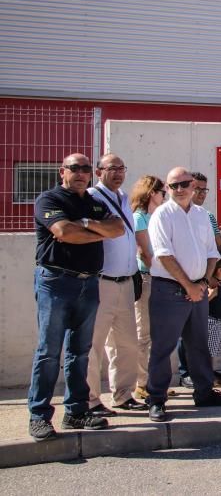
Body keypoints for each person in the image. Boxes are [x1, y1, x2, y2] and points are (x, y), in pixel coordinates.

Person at [27, 153, 124, 441]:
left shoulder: (93, 203)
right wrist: (96, 229)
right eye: (75, 168)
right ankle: (39, 415)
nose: (81, 173)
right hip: (56, 283)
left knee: (80, 352)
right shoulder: (49, 200)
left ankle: (76, 411)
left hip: (88, 284)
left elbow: (118, 229)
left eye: (85, 168)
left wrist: (85, 224)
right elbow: (64, 232)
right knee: (49, 352)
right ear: (62, 172)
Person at [146, 167, 221, 422]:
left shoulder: (202, 216)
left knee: (198, 346)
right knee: (162, 348)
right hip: (169, 290)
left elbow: (211, 253)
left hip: (199, 288)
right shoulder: (162, 215)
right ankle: (157, 399)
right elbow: (163, 254)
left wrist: (205, 282)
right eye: (173, 186)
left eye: (184, 184)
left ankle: (204, 392)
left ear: (193, 184)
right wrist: (188, 285)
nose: (180, 189)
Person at [85, 153, 145, 416]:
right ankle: (90, 399)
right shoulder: (91, 198)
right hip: (102, 282)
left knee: (127, 343)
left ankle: (123, 395)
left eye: (122, 168)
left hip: (126, 281)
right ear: (99, 172)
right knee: (94, 345)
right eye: (112, 168)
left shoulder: (122, 198)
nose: (118, 173)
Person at [178, 172, 221, 387]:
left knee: (214, 322)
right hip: (193, 282)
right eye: (197, 189)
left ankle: (206, 370)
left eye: (204, 189)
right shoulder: (178, 216)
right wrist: (205, 281)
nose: (201, 194)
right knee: (188, 329)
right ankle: (186, 373)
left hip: (215, 281)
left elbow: (220, 248)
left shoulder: (207, 216)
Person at [130, 175, 166, 401]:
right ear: (152, 193)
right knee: (143, 334)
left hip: (159, 278)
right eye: (163, 191)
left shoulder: (157, 216)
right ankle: (141, 383)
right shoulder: (139, 218)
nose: (166, 195)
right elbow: (145, 252)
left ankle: (153, 382)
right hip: (146, 278)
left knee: (157, 335)